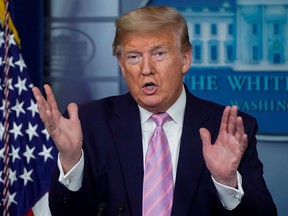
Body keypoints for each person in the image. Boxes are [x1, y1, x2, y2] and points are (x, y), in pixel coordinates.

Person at [32, 6, 277, 216]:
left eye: (159, 53)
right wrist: (72, 160)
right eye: (134, 56)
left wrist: (227, 182)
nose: (146, 69)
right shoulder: (89, 123)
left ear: (185, 59)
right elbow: (67, 213)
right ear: (122, 65)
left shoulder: (227, 129)